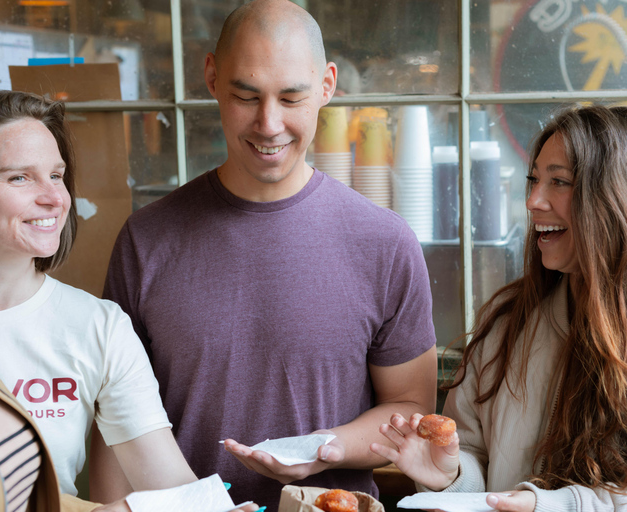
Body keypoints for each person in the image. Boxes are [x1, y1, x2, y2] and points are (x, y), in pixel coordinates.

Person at [103, 0, 438, 509]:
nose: (269, 123)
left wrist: (322, 449)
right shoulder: (145, 240)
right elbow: (115, 417)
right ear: (212, 78)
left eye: (291, 97)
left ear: (326, 86)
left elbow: (409, 406)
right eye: (246, 96)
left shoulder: (385, 242)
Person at [370, 105, 627, 512]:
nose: (533, 201)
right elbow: (478, 465)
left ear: (622, 198)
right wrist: (452, 476)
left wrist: (557, 505)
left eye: (559, 182)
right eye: (534, 180)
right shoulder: (508, 321)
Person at [0, 89, 200, 499]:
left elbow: (171, 488)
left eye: (56, 175)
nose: (54, 198)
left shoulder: (98, 326)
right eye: (20, 177)